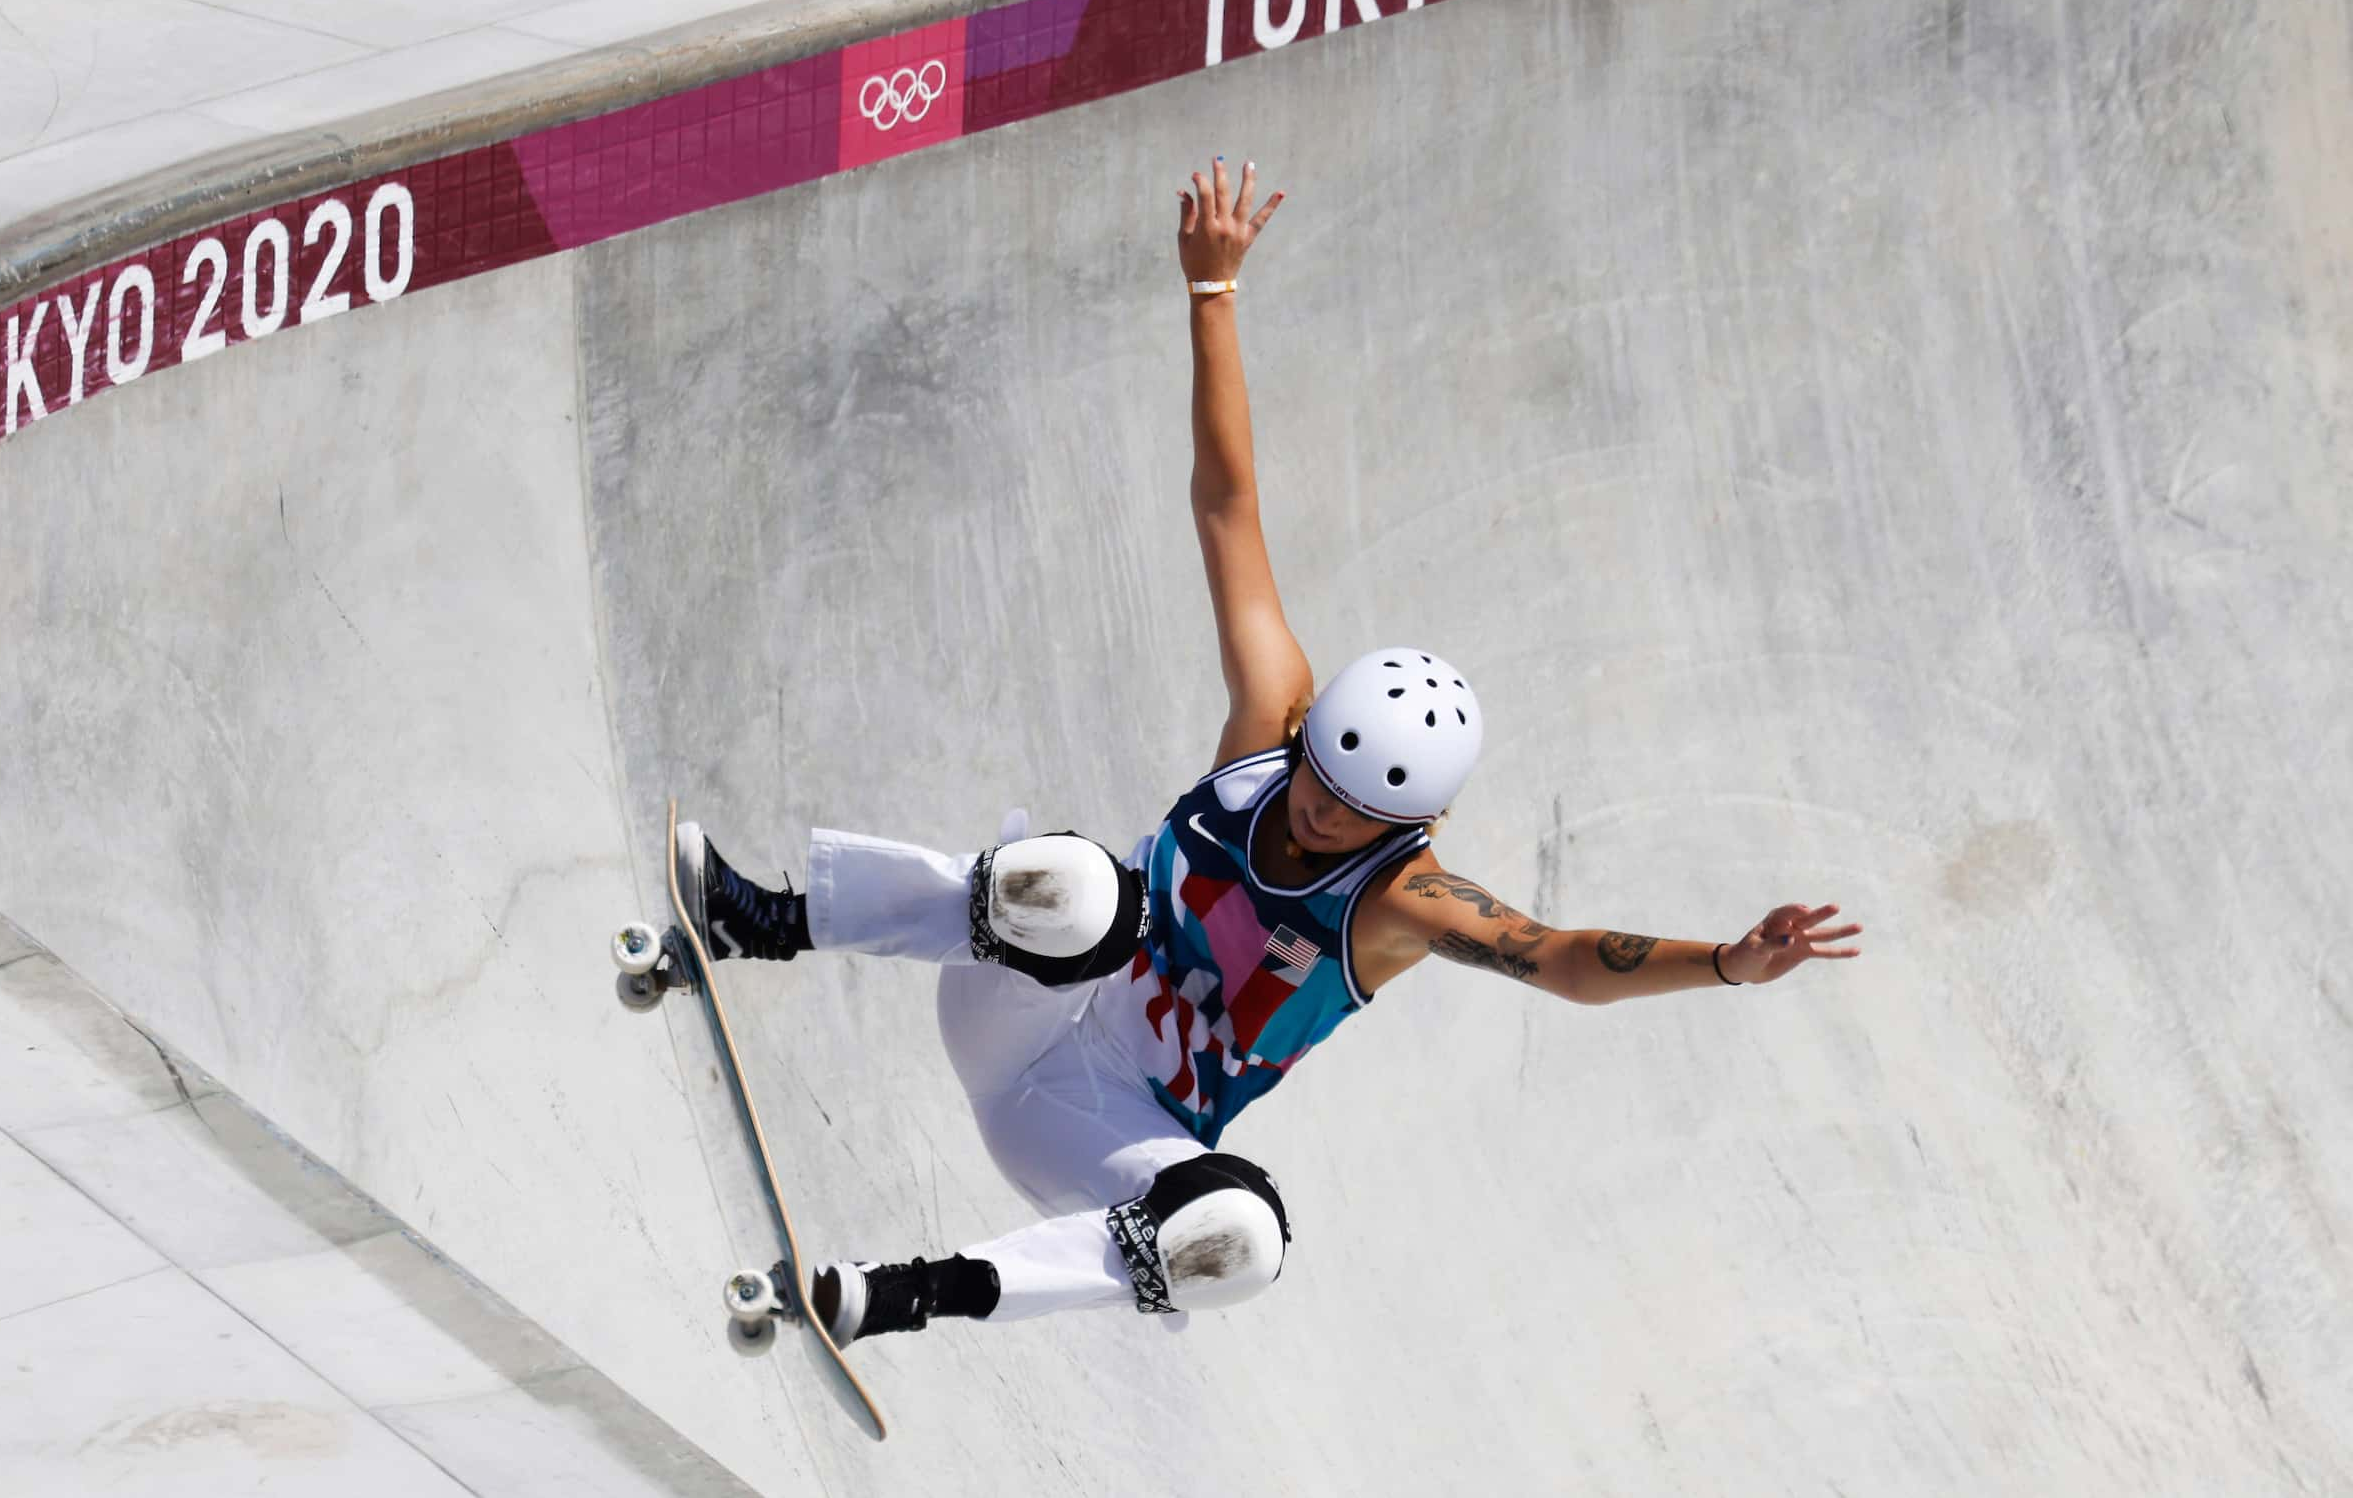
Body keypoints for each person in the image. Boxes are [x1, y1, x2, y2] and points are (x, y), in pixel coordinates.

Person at [679, 156, 1865, 1344]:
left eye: (1354, 815)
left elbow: (1555, 957)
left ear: (1411, 831)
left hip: (1098, 1137)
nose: (1313, 815)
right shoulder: (1270, 730)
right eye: (1317, 781)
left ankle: (887, 1297)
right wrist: (1212, 295)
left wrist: (1726, 961)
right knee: (1088, 890)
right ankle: (761, 921)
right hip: (1022, 1009)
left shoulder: (1404, 901)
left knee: (1242, 1238)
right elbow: (1228, 505)